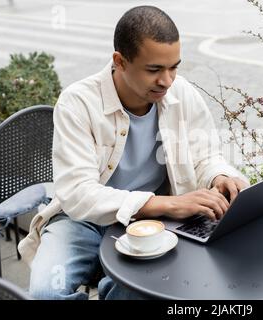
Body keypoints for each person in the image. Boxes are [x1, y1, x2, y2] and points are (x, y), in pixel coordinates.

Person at [18, 5, 249, 300]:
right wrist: (167, 204)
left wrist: (220, 176)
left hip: (153, 223)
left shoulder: (182, 93)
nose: (166, 80)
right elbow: (77, 194)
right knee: (44, 294)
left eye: (174, 67)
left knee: (135, 290)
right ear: (120, 61)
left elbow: (205, 156)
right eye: (154, 69)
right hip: (81, 220)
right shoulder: (77, 103)